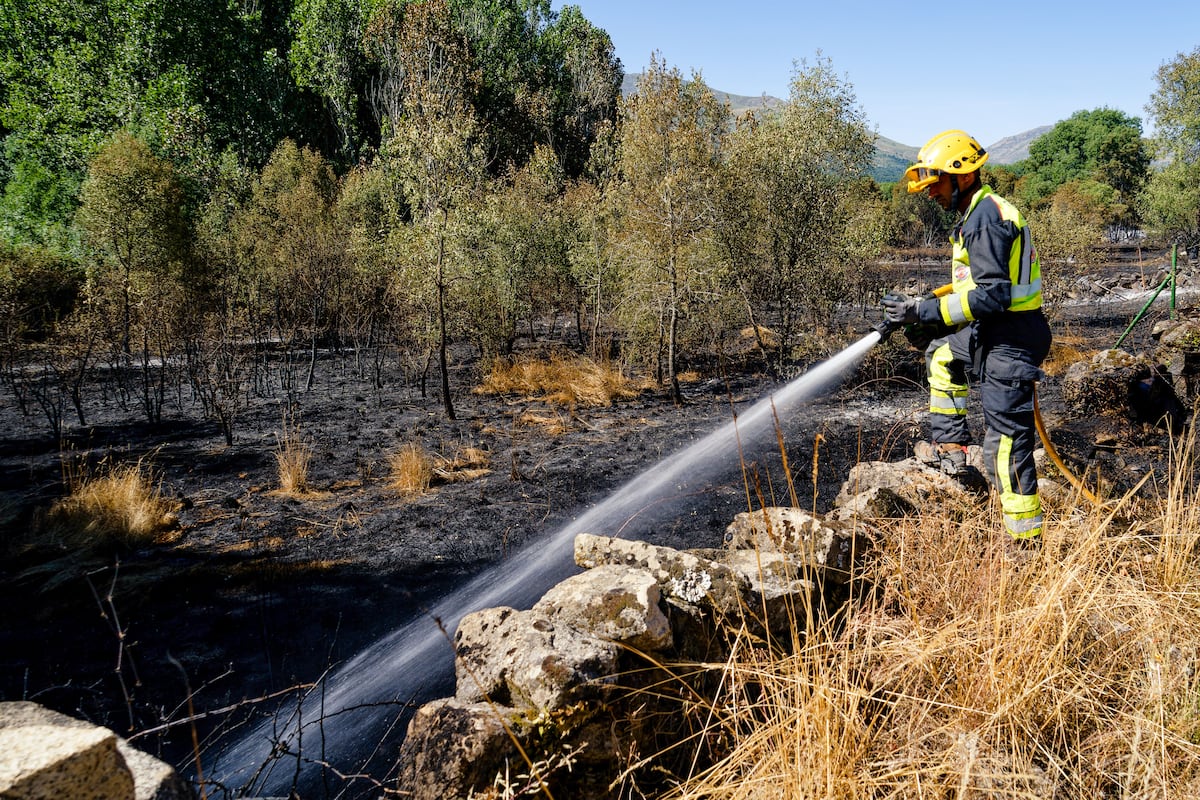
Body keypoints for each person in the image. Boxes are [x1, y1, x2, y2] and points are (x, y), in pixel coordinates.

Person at [881, 129, 1052, 551]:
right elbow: (974, 285)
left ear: (961, 176)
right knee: (941, 355)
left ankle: (1025, 546)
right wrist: (922, 306)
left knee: (1006, 447)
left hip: (1010, 340)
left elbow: (992, 297)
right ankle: (952, 450)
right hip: (991, 332)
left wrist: (922, 313)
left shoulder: (986, 219)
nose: (929, 194)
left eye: (934, 183)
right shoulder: (978, 212)